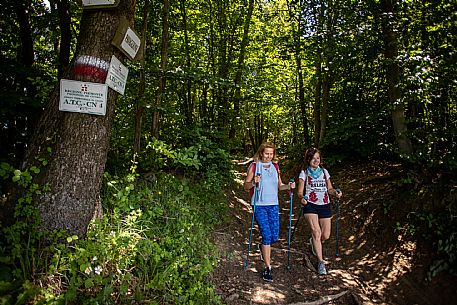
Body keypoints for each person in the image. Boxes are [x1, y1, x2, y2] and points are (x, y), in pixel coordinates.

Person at [244, 142, 295, 282]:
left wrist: (289, 186)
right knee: (266, 235)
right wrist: (254, 182)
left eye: (271, 154)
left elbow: (280, 186)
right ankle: (268, 268)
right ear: (261, 153)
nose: (269, 156)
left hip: (273, 204)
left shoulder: (275, 166)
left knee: (274, 237)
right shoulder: (254, 166)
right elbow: (245, 186)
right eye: (266, 153)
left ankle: (262, 247)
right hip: (259, 205)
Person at [297, 147, 342, 275]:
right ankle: (321, 262)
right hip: (310, 204)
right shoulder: (304, 173)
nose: (316, 160)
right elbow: (300, 192)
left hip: (325, 204)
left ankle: (313, 242)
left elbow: (330, 189)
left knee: (325, 235)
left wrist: (336, 193)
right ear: (308, 160)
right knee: (316, 232)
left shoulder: (324, 171)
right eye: (313, 158)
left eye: (318, 158)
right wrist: (302, 198)